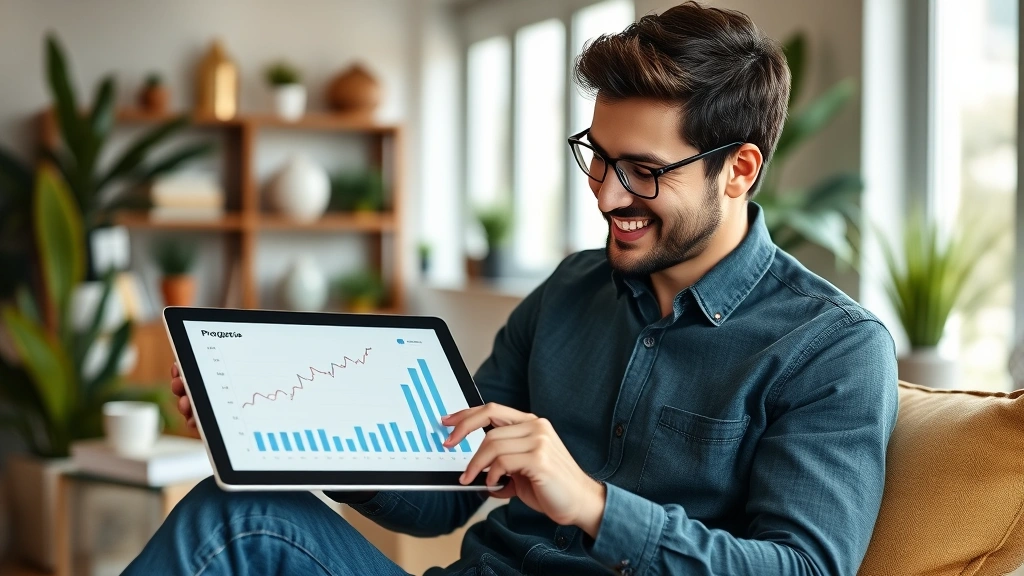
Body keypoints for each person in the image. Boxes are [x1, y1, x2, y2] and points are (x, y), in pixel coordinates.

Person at [124, 2, 897, 574]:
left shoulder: (829, 348)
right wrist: (278, 437)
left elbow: (804, 568)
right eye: (598, 156)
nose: (606, 195)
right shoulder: (571, 290)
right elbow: (444, 495)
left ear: (740, 169)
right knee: (234, 513)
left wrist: (593, 507)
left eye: (644, 172)